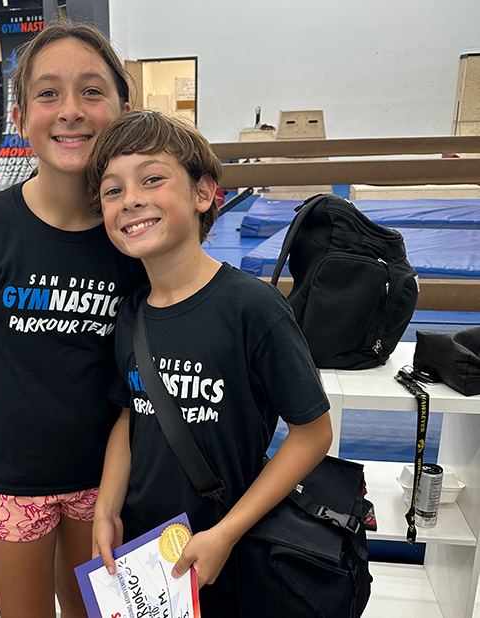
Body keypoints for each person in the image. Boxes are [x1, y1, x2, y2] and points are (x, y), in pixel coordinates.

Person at [0, 20, 144, 618]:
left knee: (89, 612)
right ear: (19, 119)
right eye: (48, 93)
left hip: (105, 479)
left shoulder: (138, 236)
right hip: (8, 475)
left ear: (123, 109)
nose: (70, 110)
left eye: (92, 91)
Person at [88, 110, 333, 616]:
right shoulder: (132, 311)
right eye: (112, 190)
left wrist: (226, 532)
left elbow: (312, 433)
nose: (130, 198)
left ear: (204, 193)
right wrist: (106, 509)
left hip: (229, 545)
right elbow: (130, 415)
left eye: (152, 179)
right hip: (147, 552)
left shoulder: (252, 307)